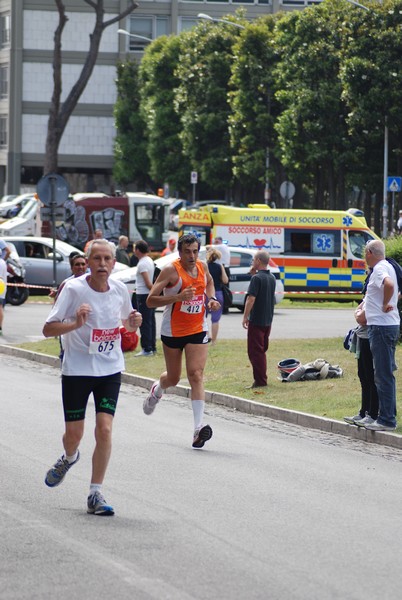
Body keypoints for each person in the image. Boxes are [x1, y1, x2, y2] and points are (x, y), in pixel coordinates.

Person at [42, 239, 142, 516]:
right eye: (96, 259)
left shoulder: (120, 289)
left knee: (105, 429)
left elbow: (126, 321)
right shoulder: (74, 289)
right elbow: (48, 329)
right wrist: (75, 323)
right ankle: (69, 457)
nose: (102, 264)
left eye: (107, 259)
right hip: (77, 369)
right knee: (74, 435)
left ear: (113, 262)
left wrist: (132, 324)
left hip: (109, 369)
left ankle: (95, 492)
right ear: (88, 263)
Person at [144, 233, 221, 449]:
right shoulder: (171, 270)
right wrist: (177, 297)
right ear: (180, 252)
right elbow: (150, 300)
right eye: (187, 251)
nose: (192, 255)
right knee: (174, 378)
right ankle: (158, 389)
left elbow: (210, 284)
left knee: (196, 375)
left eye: (195, 251)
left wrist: (212, 299)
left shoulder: (203, 267)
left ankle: (198, 429)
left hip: (197, 328)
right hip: (173, 331)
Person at [359, 239, 400, 431]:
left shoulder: (379, 270)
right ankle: (388, 415)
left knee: (382, 375)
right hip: (387, 326)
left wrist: (385, 304)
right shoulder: (389, 266)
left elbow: (390, 285)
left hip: (381, 327)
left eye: (365, 253)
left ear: (369, 252)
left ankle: (386, 419)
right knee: (385, 374)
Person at [242, 250, 276, 389]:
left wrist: (245, 316)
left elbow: (251, 299)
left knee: (255, 352)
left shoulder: (256, 279)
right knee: (261, 350)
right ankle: (261, 378)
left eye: (253, 260)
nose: (252, 262)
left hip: (256, 320)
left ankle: (260, 381)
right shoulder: (271, 277)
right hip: (268, 319)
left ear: (258, 261)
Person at [134, 240, 156, 356]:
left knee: (144, 322)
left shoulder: (142, 263)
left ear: (138, 250)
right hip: (148, 294)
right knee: (151, 320)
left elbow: (147, 282)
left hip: (143, 294)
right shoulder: (149, 260)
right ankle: (152, 346)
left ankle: (147, 348)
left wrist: (154, 291)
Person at [206, 247, 228, 345]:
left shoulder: (204, 266)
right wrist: (222, 269)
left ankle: (206, 337)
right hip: (218, 293)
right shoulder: (219, 266)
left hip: (206, 293)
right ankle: (213, 341)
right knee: (215, 319)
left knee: (202, 317)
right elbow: (225, 280)